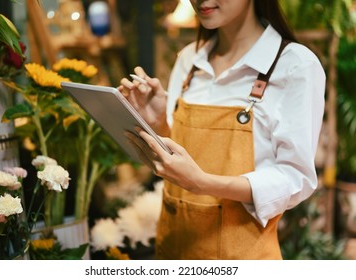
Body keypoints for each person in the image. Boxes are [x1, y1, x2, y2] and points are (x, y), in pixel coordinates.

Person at [119, 0, 326, 260]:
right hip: (172, 251)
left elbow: (296, 177)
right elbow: (183, 158)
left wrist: (203, 184)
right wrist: (159, 123)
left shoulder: (295, 65)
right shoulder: (188, 60)